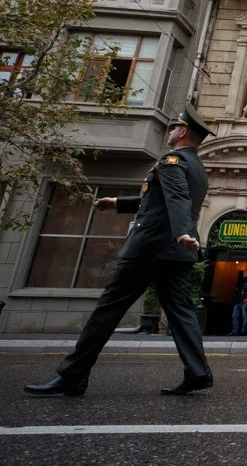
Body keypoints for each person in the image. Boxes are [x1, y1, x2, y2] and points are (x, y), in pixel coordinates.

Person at [24, 106, 215, 397]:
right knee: (182, 314)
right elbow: (158, 201)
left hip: (149, 250)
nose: (169, 132)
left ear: (183, 132)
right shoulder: (197, 167)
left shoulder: (171, 160)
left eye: (173, 128)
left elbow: (177, 199)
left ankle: (73, 375)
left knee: (107, 311)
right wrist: (116, 203)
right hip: (175, 254)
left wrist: (182, 232)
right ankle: (198, 372)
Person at [229, 270, 247, 336]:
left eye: (245, 273)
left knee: (245, 317)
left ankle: (244, 331)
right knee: (234, 316)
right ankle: (235, 331)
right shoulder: (241, 282)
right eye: (243, 273)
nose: (244, 274)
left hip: (245, 301)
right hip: (238, 301)